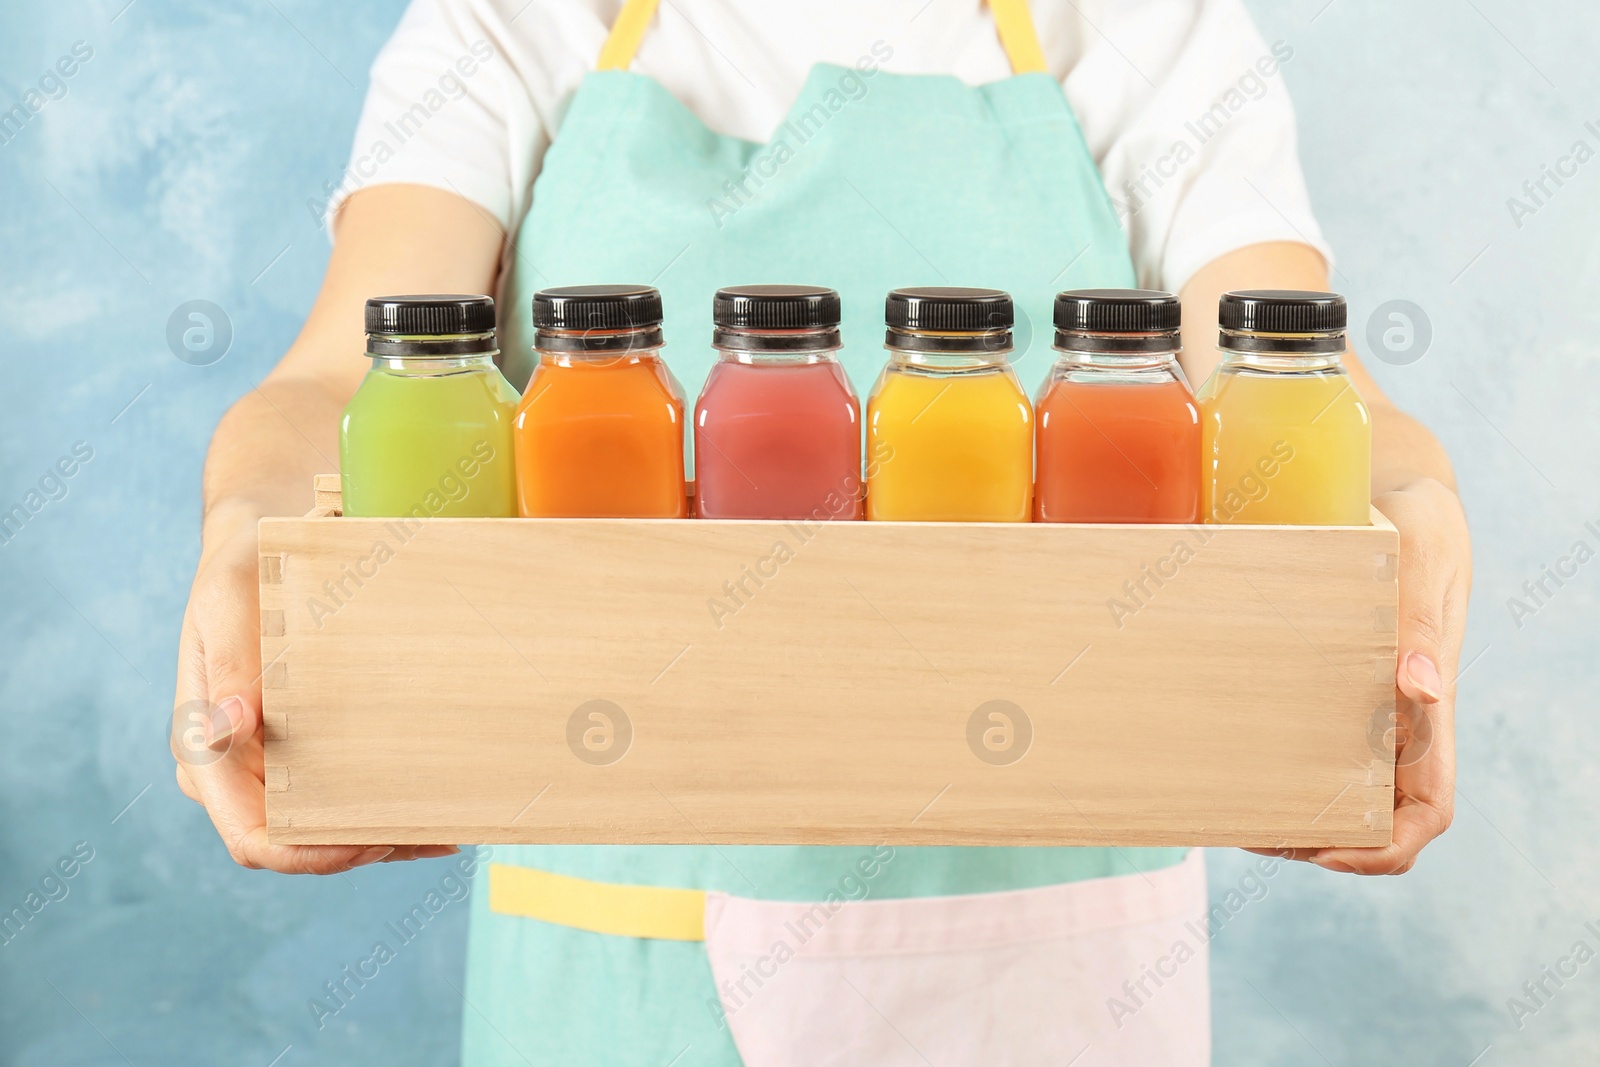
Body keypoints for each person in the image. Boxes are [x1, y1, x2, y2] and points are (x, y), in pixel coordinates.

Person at [172, 0, 1471, 1062]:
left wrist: (1419, 517)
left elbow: (1306, 386)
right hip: (615, 969)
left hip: (1053, 973)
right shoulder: (518, 23)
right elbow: (343, 381)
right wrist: (248, 525)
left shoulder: (1147, 29)